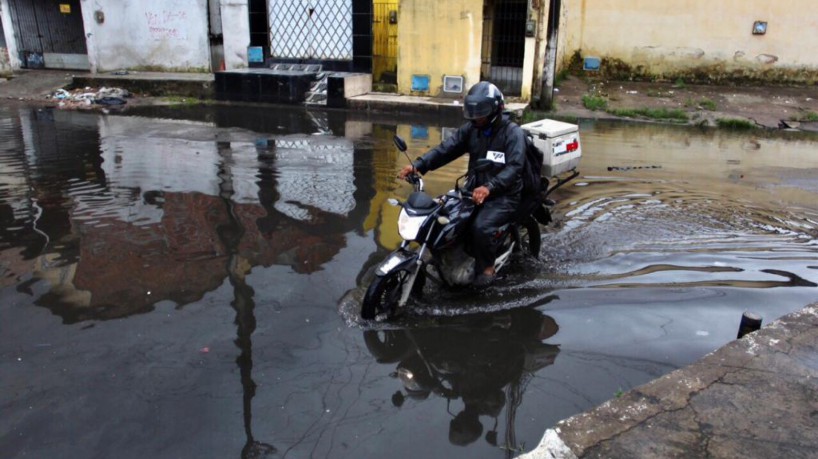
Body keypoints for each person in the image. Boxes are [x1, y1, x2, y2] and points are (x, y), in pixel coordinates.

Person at [398, 81, 526, 287]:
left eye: (481, 114)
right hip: (473, 189)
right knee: (442, 215)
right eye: (474, 114)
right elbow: (447, 148)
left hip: (504, 195)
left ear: (495, 110)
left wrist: (490, 187)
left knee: (481, 227)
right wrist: (420, 165)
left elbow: (514, 167)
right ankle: (448, 255)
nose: (477, 118)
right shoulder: (472, 130)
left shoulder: (512, 133)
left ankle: (487, 267)